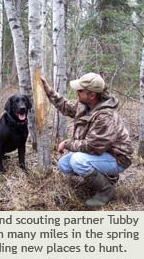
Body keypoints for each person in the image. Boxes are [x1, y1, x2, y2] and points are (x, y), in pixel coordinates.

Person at [41, 72, 133, 207]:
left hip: (118, 158)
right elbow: (65, 106)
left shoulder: (105, 116)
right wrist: (48, 90)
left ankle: (106, 190)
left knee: (78, 161)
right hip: (102, 152)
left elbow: (91, 146)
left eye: (80, 90)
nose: (77, 92)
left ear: (92, 95)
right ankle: (105, 177)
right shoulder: (85, 105)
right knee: (64, 165)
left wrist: (67, 143)